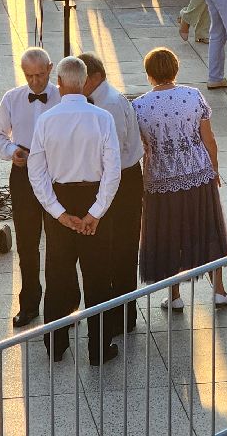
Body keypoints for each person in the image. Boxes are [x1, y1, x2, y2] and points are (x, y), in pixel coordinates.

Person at [26, 55, 122, 364]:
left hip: (61, 201)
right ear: (82, 82)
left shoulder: (46, 120)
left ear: (59, 84)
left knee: (57, 276)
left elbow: (36, 172)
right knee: (98, 279)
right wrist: (95, 212)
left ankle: (55, 344)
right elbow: (113, 171)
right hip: (94, 198)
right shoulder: (102, 118)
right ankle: (99, 349)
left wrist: (57, 212)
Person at [131, 48, 227, 310]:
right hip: (198, 173)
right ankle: (219, 291)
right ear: (176, 70)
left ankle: (174, 296)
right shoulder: (193, 95)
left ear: (149, 74)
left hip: (161, 179)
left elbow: (141, 147)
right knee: (208, 230)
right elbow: (209, 139)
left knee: (168, 236)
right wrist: (215, 169)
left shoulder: (139, 106)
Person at [0, 48, 62, 328]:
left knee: (60, 245)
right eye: (29, 76)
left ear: (51, 68)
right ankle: (29, 304)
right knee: (27, 244)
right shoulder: (12, 98)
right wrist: (11, 151)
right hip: (24, 174)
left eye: (40, 75)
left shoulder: (63, 96)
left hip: (57, 172)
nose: (34, 82)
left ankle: (64, 305)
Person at [77, 52, 144, 330]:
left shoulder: (111, 105)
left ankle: (122, 316)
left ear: (95, 77)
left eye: (81, 80)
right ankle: (116, 313)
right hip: (113, 179)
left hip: (122, 181)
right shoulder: (99, 101)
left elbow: (113, 156)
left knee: (123, 250)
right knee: (111, 250)